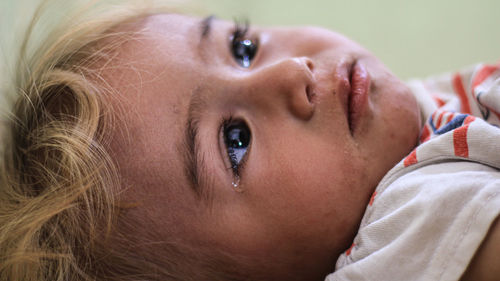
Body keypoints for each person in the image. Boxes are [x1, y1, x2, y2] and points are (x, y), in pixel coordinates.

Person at [0, 1, 498, 280]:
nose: (288, 72)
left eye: (242, 48)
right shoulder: (416, 231)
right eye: (235, 142)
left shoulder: (397, 133)